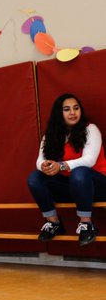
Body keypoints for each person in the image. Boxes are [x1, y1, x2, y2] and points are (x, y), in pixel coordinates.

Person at [27, 93, 106, 246]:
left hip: (98, 186)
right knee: (35, 178)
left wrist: (61, 166)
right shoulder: (50, 135)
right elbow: (40, 160)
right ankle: (53, 222)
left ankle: (87, 225)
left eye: (76, 108)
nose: (72, 112)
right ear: (59, 113)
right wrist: (44, 167)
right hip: (73, 188)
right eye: (67, 109)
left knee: (80, 172)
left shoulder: (90, 129)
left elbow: (89, 160)